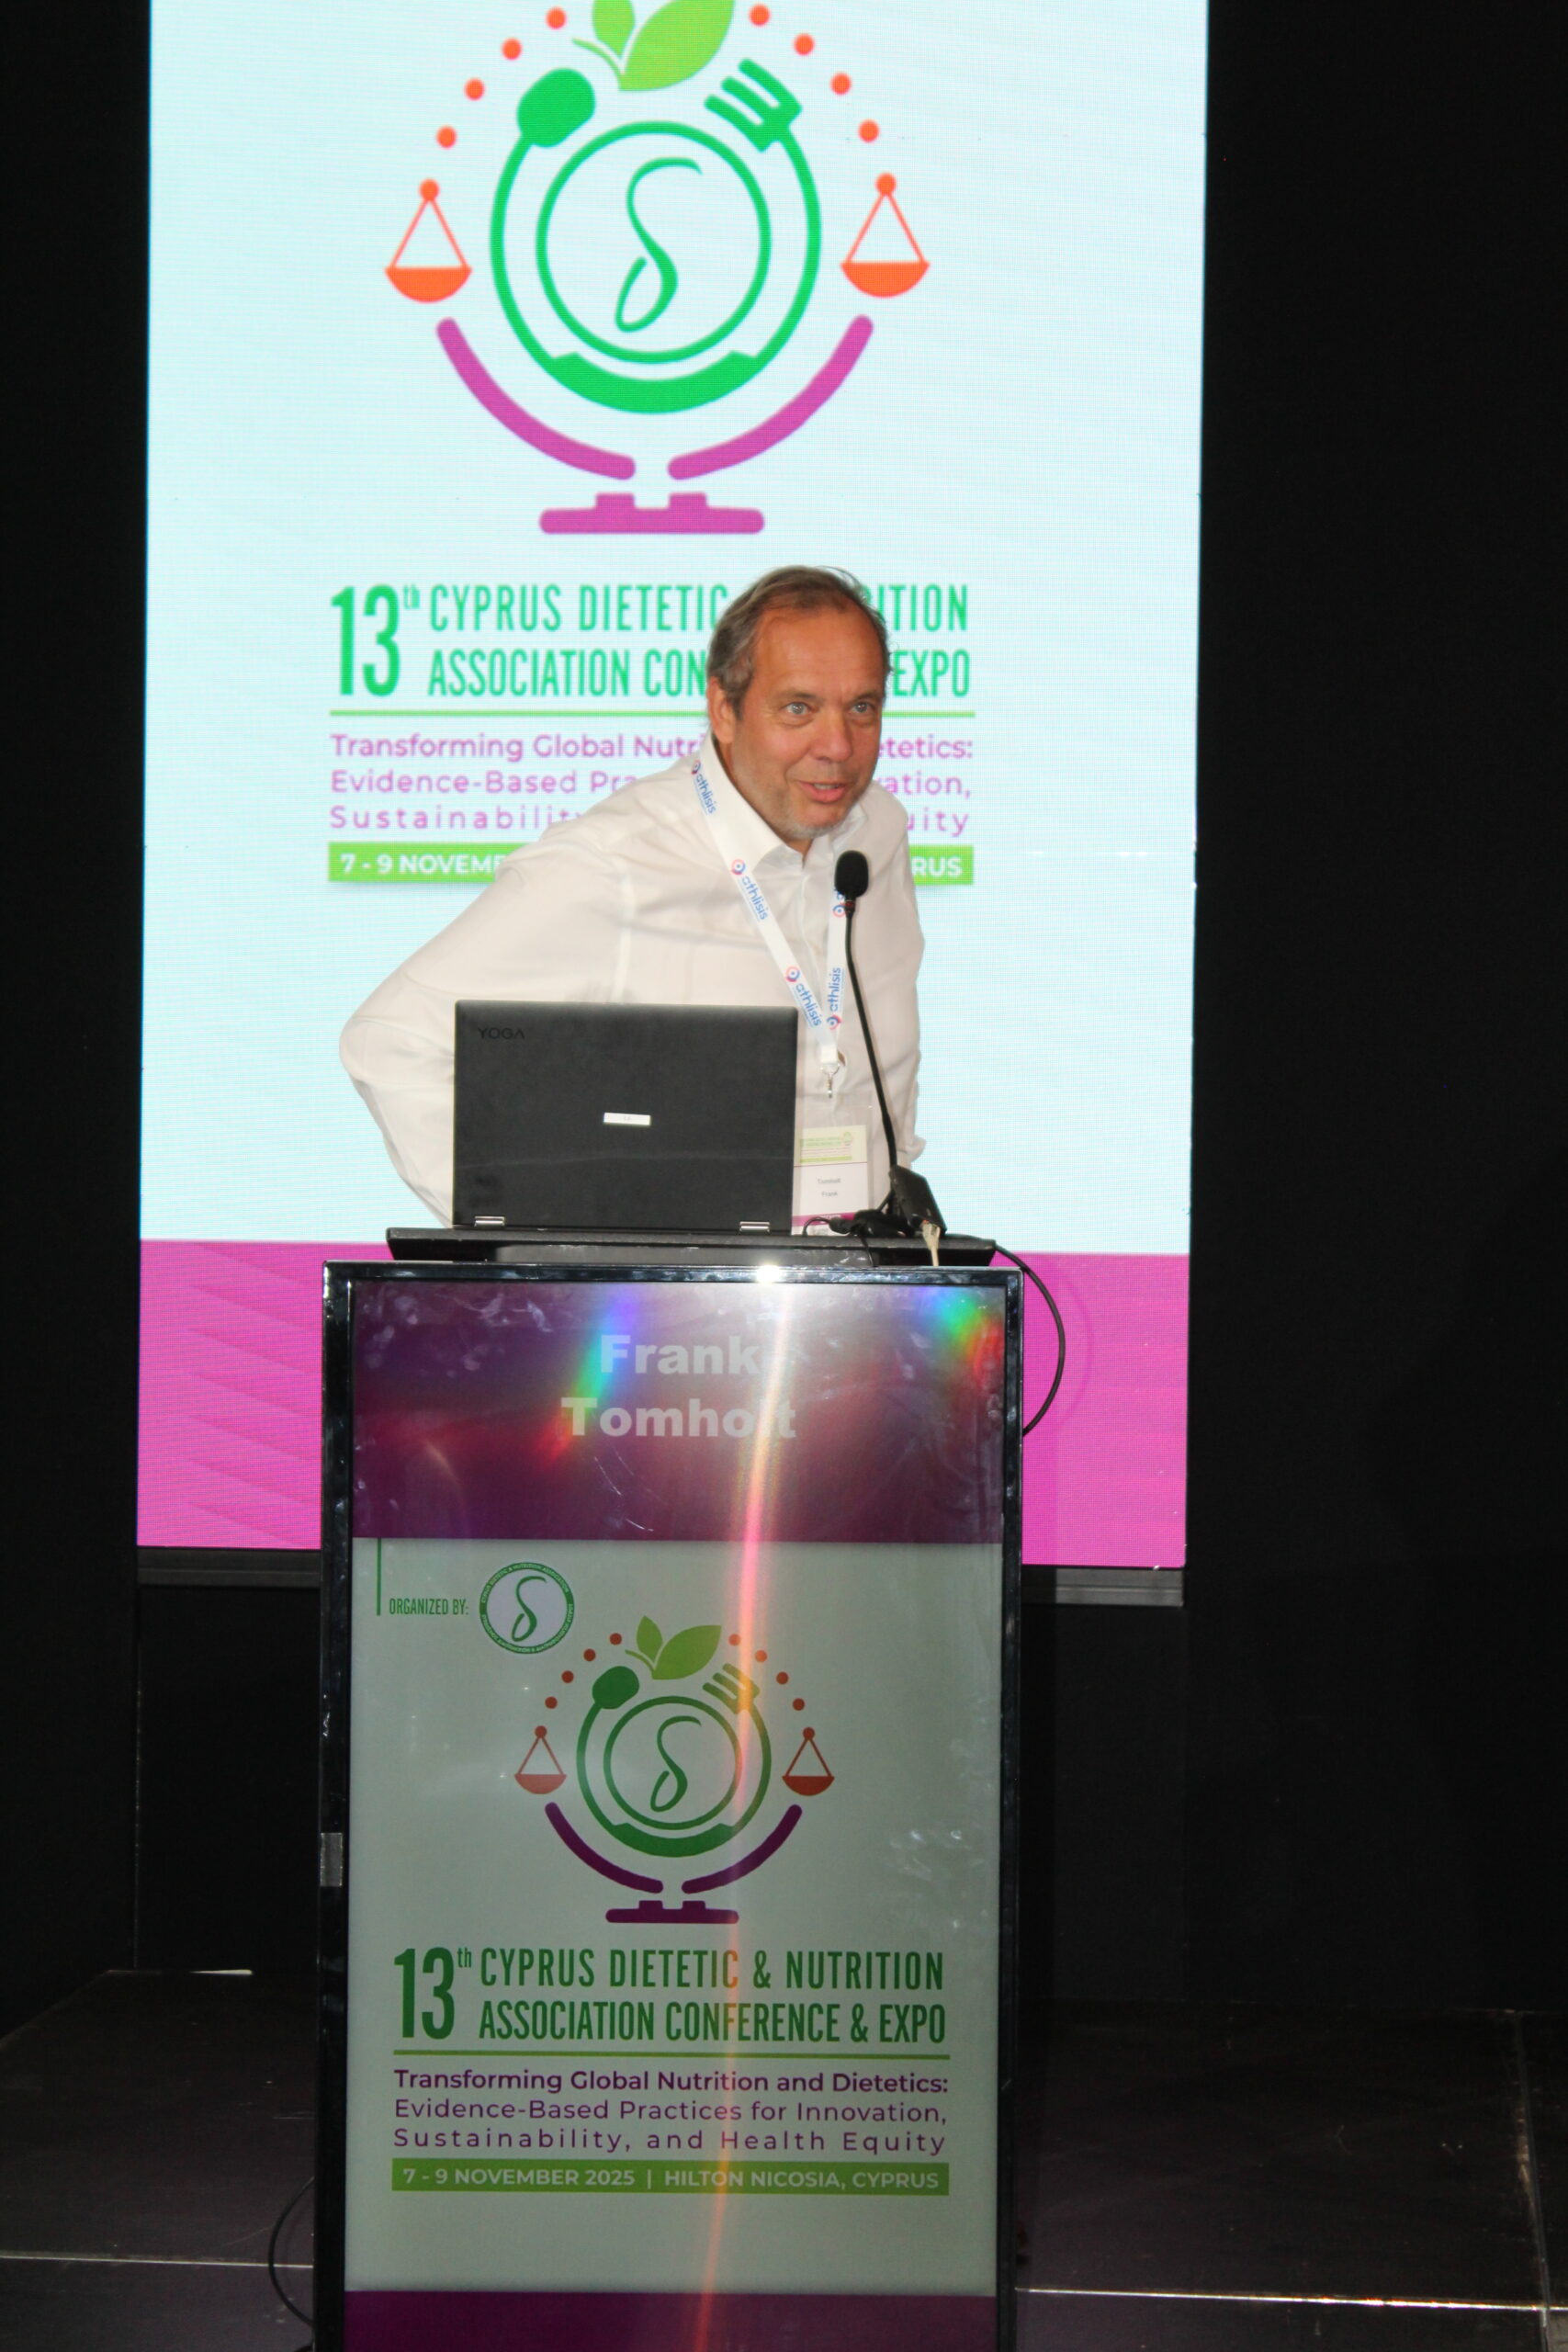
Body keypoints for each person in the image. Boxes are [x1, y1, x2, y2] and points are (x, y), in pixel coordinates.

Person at [340, 565, 925, 1223]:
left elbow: (881, 1074)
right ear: (724, 710)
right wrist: (550, 1238)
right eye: (798, 709)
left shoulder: (877, 832)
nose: (838, 746)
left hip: (876, 1269)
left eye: (861, 707)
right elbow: (389, 1040)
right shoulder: (613, 863)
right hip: (696, 1287)